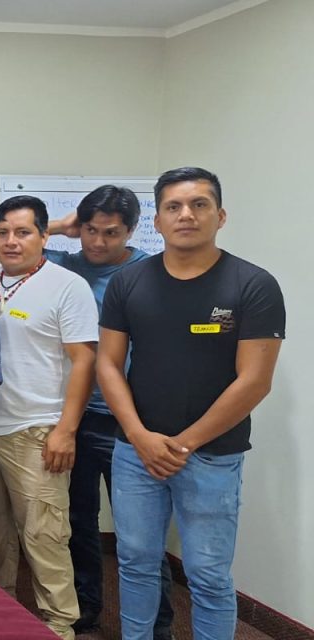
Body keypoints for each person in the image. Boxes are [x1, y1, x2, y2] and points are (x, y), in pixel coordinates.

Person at [98, 167, 284, 640]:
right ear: (156, 222)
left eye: (199, 204)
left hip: (212, 455)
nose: (187, 214)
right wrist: (140, 437)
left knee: (207, 576)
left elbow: (255, 380)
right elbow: (108, 366)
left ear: (219, 216)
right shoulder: (128, 283)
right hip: (136, 452)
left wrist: (182, 444)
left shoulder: (252, 285)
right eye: (174, 206)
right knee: (136, 564)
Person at [0, 186, 176, 637]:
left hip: (128, 420)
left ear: (131, 231)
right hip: (74, 416)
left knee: (136, 534)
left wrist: (63, 429)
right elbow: (2, 241)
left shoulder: (148, 272)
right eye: (89, 230)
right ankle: (87, 611)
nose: (97, 241)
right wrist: (53, 226)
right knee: (74, 522)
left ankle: (156, 625)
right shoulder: (64, 263)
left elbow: (88, 358)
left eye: (110, 233)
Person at [0, 195, 97, 639]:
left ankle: (59, 625)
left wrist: (66, 431)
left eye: (24, 232)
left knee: (45, 539)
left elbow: (83, 361)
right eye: (3, 232)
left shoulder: (68, 286)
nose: (12, 241)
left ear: (45, 236)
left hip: (38, 431)